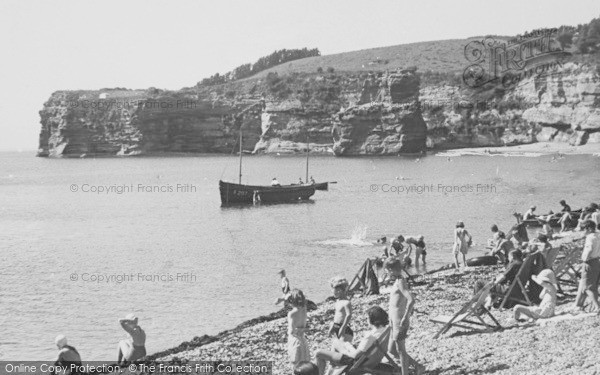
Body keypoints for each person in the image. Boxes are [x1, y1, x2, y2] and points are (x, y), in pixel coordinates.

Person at [314, 306, 390, 375]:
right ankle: (331, 370)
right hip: (368, 360)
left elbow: (355, 355)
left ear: (372, 319)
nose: (366, 320)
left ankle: (331, 369)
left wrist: (346, 349)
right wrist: (348, 346)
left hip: (355, 362)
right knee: (337, 342)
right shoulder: (386, 330)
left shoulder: (370, 336)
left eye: (367, 318)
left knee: (319, 353)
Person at [384, 257, 424, 375]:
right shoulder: (397, 281)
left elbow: (411, 299)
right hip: (393, 321)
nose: (386, 272)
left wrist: (406, 316)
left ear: (391, 269)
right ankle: (418, 366)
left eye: (386, 270)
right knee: (391, 349)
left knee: (401, 351)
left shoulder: (401, 282)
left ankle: (405, 373)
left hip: (399, 321)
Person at [573, 220, 600, 313]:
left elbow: (589, 249)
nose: (583, 231)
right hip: (596, 260)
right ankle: (579, 305)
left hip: (590, 262)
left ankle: (597, 307)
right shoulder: (597, 234)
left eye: (583, 229)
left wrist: (584, 259)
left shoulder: (590, 237)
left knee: (587, 287)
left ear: (588, 229)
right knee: (593, 285)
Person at [287, 289, 310, 366]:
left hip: (295, 340)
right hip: (303, 339)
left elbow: (291, 331)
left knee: (296, 364)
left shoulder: (292, 313)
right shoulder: (304, 309)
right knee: (304, 364)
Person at [327, 276, 353, 342]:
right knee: (334, 350)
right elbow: (336, 315)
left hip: (344, 329)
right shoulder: (338, 301)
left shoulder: (346, 302)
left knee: (343, 349)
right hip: (336, 326)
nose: (333, 293)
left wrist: (343, 328)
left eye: (334, 291)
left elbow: (349, 315)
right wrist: (332, 325)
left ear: (339, 290)